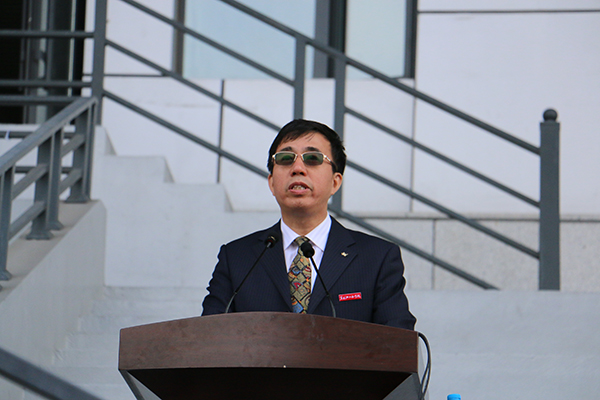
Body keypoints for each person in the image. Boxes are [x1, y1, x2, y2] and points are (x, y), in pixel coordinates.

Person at [202, 119, 416, 330]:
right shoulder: (237, 258)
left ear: (335, 182)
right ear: (272, 183)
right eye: (285, 158)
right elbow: (208, 337)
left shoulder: (377, 258)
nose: (298, 168)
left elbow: (398, 341)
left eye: (312, 158)